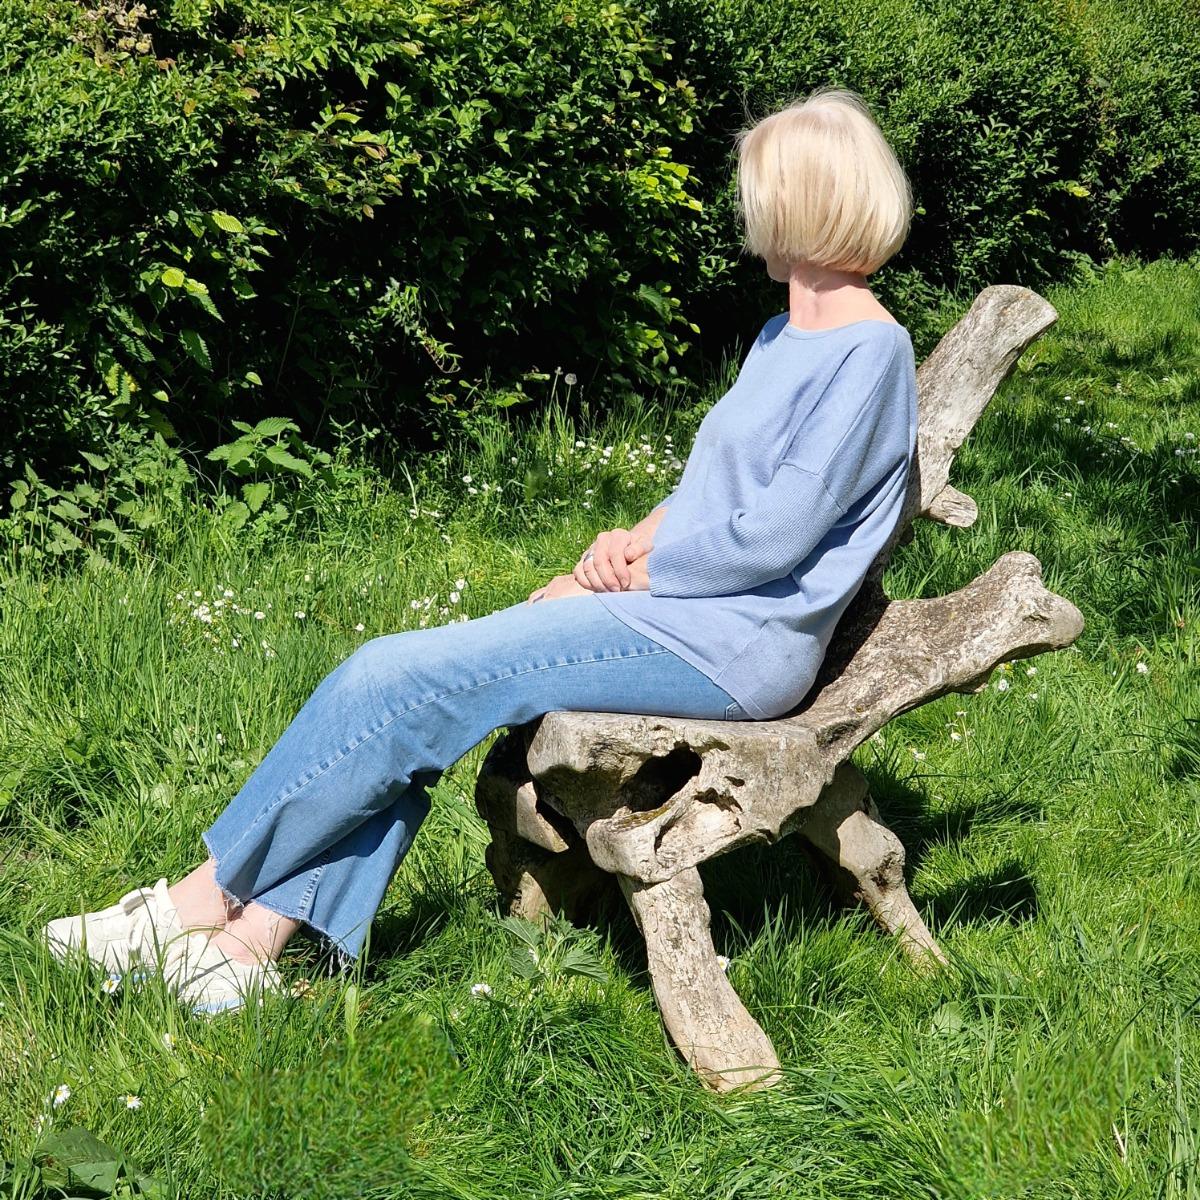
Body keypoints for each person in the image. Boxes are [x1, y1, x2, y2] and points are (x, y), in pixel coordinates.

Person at [43, 85, 919, 1014]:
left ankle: (190, 906)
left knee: (392, 679)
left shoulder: (871, 353)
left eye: (758, 188)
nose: (747, 208)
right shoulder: (783, 336)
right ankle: (244, 954)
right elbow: (715, 494)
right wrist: (619, 549)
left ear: (799, 199)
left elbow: (777, 537)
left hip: (736, 642)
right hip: (682, 610)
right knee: (419, 702)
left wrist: (634, 581)